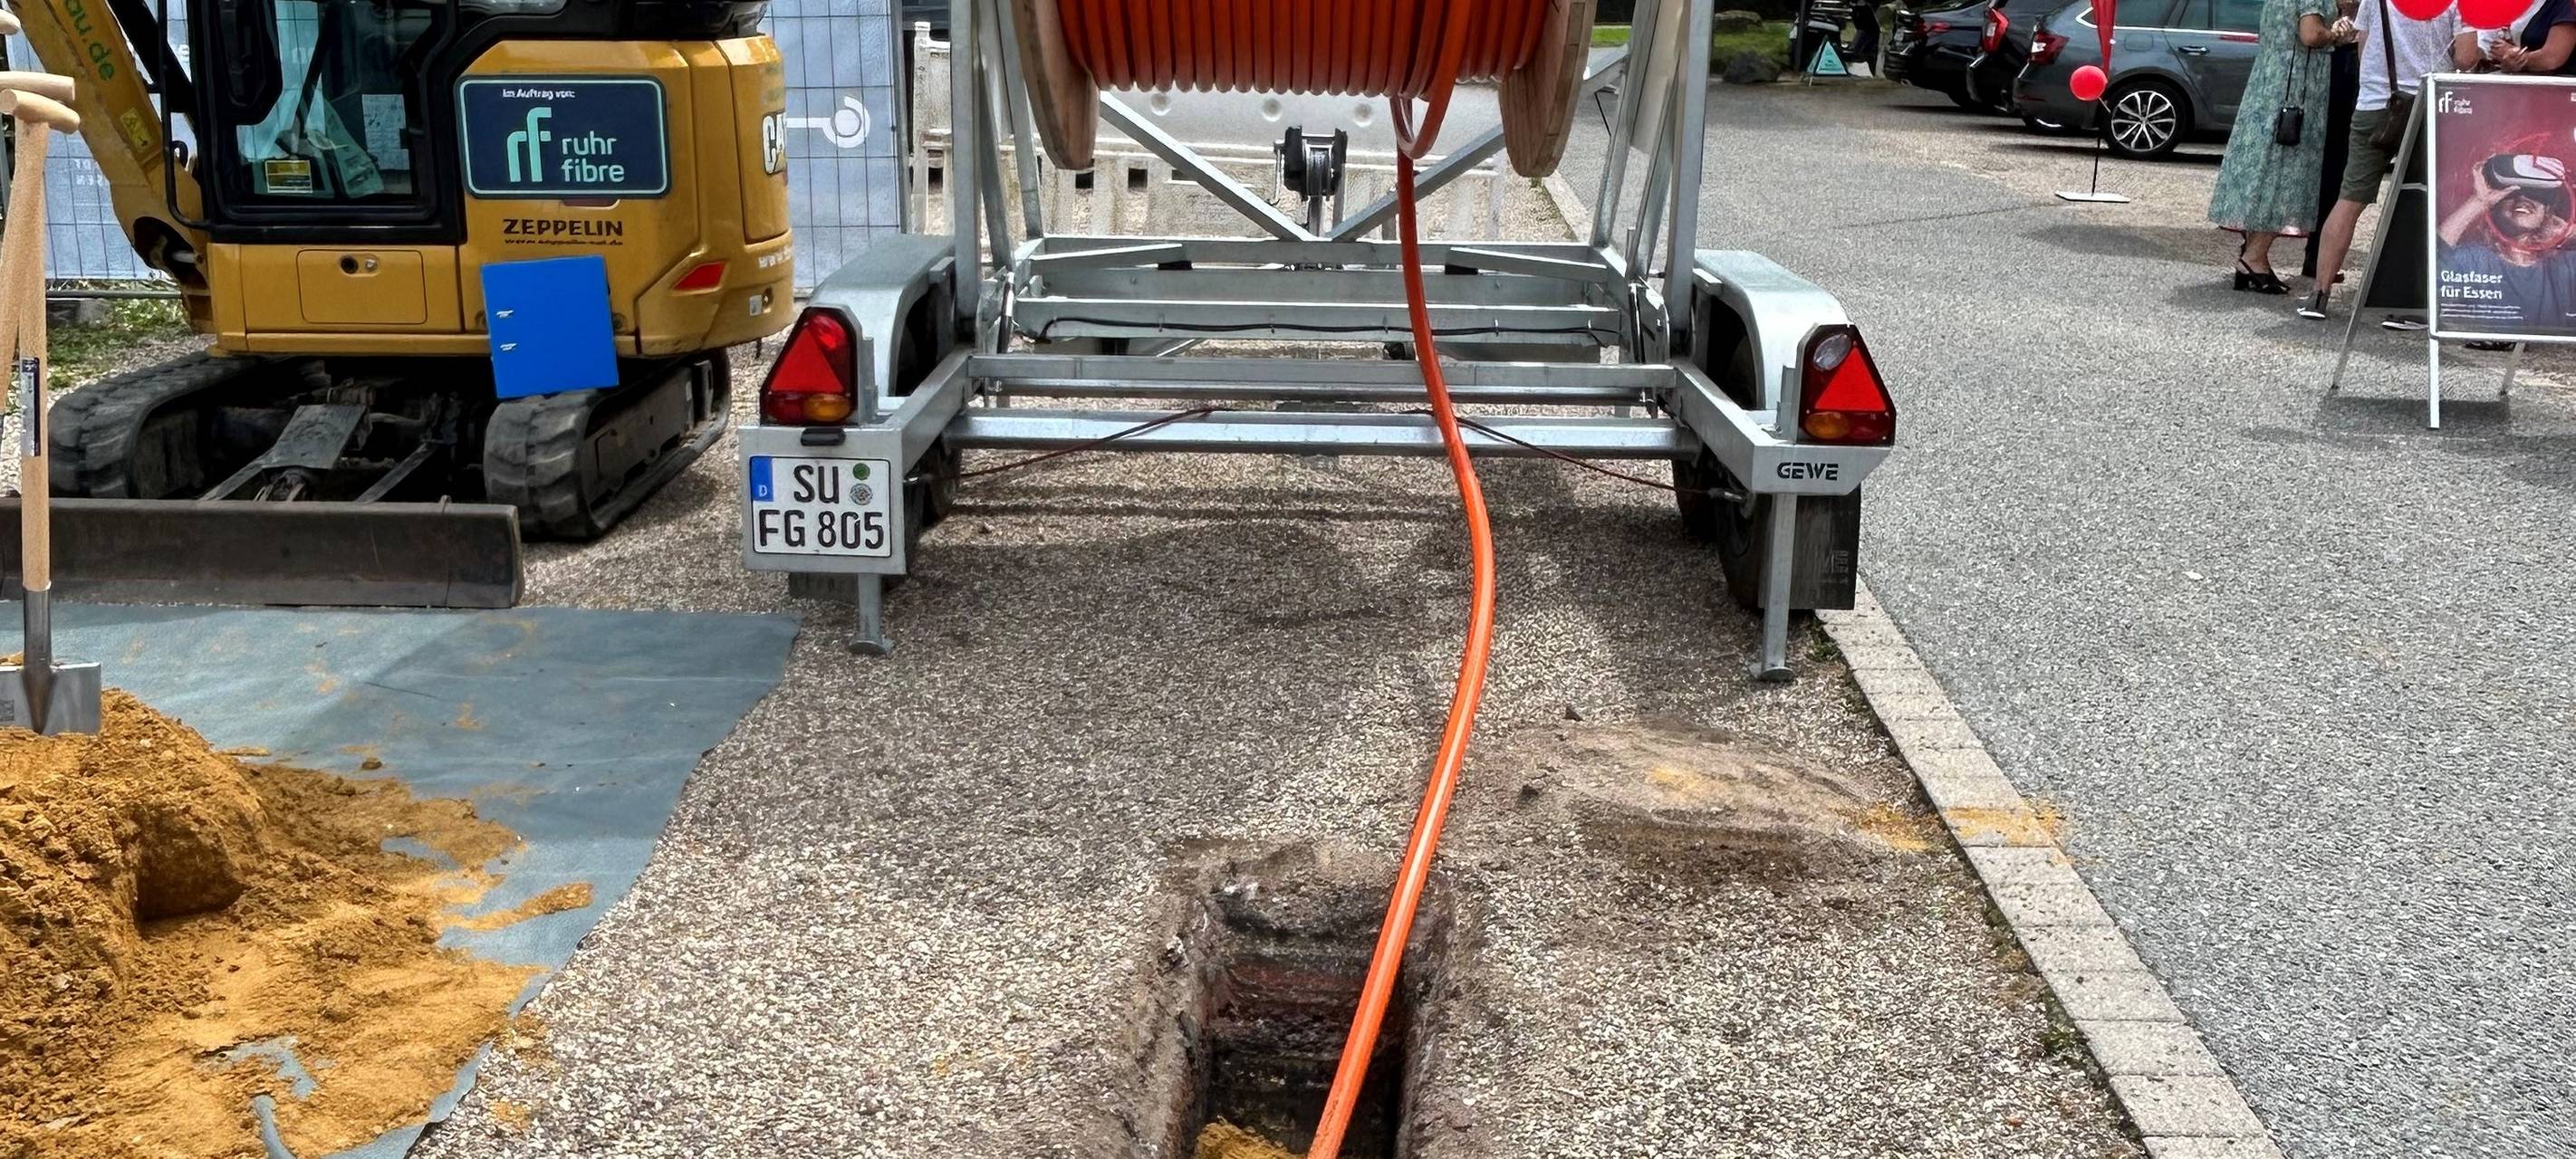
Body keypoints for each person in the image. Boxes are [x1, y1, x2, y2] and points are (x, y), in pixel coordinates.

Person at [2297, 0, 2479, 319]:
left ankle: (2319, 293)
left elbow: (2363, 46)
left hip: (2374, 104)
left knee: (2350, 199)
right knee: (2422, 204)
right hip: (2426, 107)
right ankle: (2409, 306)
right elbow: (2466, 57)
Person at [2208, 0, 2343, 293]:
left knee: (2265, 172)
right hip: (2295, 92)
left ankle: (2254, 258)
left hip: (2269, 84)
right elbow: (2310, 35)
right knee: (2283, 176)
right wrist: (2337, 33)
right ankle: (2254, 257)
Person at [2434, 153, 2576, 328]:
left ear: (2547, 213)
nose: (2523, 199)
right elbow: (2433, 273)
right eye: (2512, 191)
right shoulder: (2476, 260)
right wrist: (2478, 202)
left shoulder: (2563, 266)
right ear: (2495, 208)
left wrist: (2572, 233)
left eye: (2536, 193)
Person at [2478, 0, 2576, 72]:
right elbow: (2485, 46)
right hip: (2523, 86)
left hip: (2562, 87)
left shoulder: (2567, 4)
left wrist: (2519, 58)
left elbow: (2552, 59)